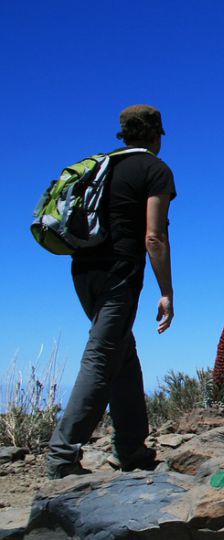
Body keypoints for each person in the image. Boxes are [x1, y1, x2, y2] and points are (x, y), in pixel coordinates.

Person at [46, 105, 176, 479]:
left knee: (122, 350)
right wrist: (166, 291)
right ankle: (62, 456)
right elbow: (154, 236)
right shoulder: (155, 170)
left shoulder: (102, 165)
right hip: (120, 270)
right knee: (103, 356)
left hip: (83, 269)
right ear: (156, 134)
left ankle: (131, 446)